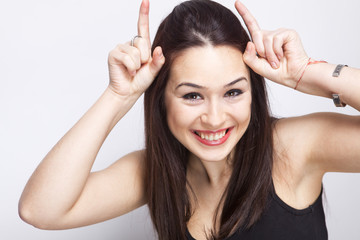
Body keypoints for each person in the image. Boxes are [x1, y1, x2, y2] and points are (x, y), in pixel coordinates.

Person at [18, 0, 360, 239]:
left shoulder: (293, 148)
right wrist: (118, 95)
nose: (214, 118)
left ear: (254, 92)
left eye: (233, 92)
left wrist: (310, 73)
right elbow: (40, 210)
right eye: (192, 95)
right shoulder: (155, 171)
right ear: (160, 97)